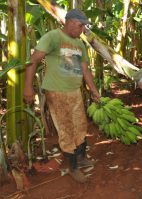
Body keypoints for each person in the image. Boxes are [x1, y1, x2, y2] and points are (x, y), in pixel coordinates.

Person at [23, 9, 100, 183]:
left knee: (80, 125)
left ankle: (81, 158)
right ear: (70, 22)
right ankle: (73, 168)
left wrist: (94, 91)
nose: (82, 30)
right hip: (56, 92)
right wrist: (28, 87)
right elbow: (33, 61)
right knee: (66, 129)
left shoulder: (80, 44)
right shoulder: (53, 37)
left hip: (74, 91)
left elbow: (85, 70)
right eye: (80, 26)